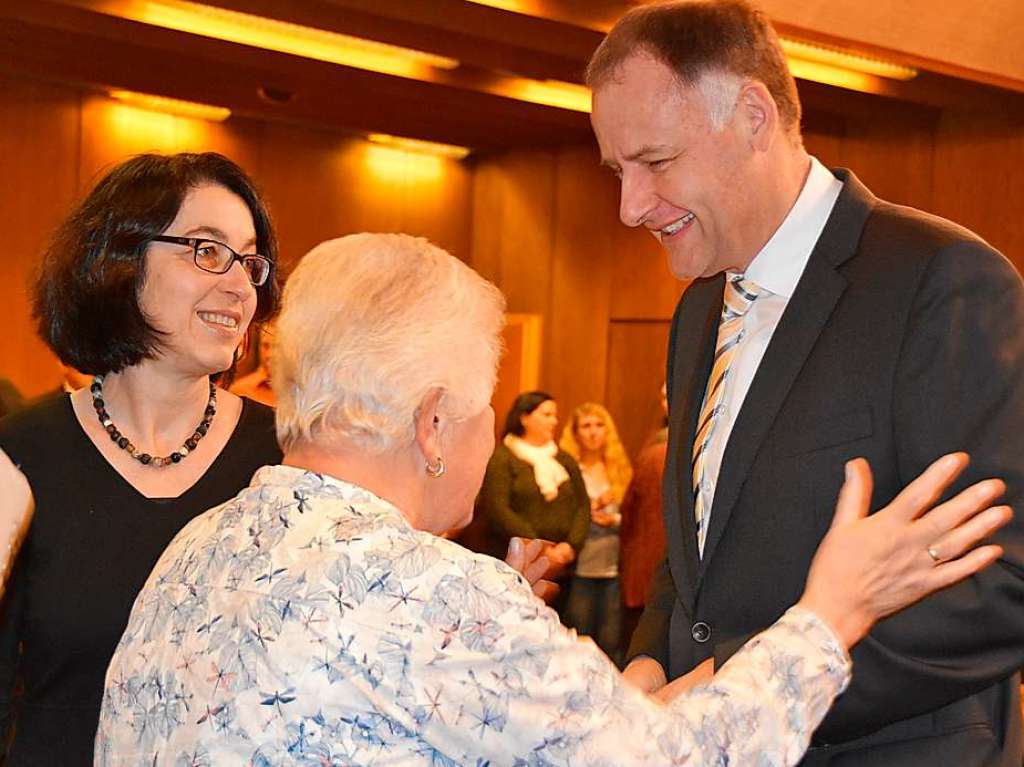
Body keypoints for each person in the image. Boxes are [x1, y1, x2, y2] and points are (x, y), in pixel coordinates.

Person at [93, 232, 1010, 766]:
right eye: (489, 401)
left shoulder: (196, 548)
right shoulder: (436, 600)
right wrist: (830, 612)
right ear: (434, 424)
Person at [587, 2, 1024, 765]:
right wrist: (650, 661)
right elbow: (696, 550)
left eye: (655, 163)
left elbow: (1002, 579)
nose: (630, 207)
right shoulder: (699, 311)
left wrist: (742, 684)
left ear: (754, 115)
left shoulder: (939, 282)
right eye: (617, 170)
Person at [0, 152, 284, 765]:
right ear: (119, 263)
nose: (239, 286)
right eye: (205, 251)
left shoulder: (286, 462)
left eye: (250, 262)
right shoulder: (19, 458)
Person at [472, 390, 590, 608]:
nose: (554, 421)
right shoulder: (503, 459)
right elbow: (498, 509)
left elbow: (583, 506)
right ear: (524, 418)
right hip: (516, 565)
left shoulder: (564, 459)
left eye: (555, 415)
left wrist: (570, 546)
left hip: (563, 566)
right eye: (546, 415)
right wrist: (542, 549)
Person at [559, 402, 632, 662]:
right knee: (578, 640)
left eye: (599, 425)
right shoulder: (568, 469)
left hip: (613, 568)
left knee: (612, 643)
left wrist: (614, 519)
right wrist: (591, 509)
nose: (593, 432)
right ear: (575, 432)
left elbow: (636, 516)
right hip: (580, 568)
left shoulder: (619, 470)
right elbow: (560, 516)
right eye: (586, 426)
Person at [619, 383, 669, 645]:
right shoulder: (656, 448)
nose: (665, 401)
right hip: (653, 568)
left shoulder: (657, 453)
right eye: (661, 396)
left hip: (657, 570)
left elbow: (629, 513)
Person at [230, 322, 275, 406]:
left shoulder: (300, 390)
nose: (269, 354)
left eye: (276, 347)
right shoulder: (240, 390)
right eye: (265, 345)